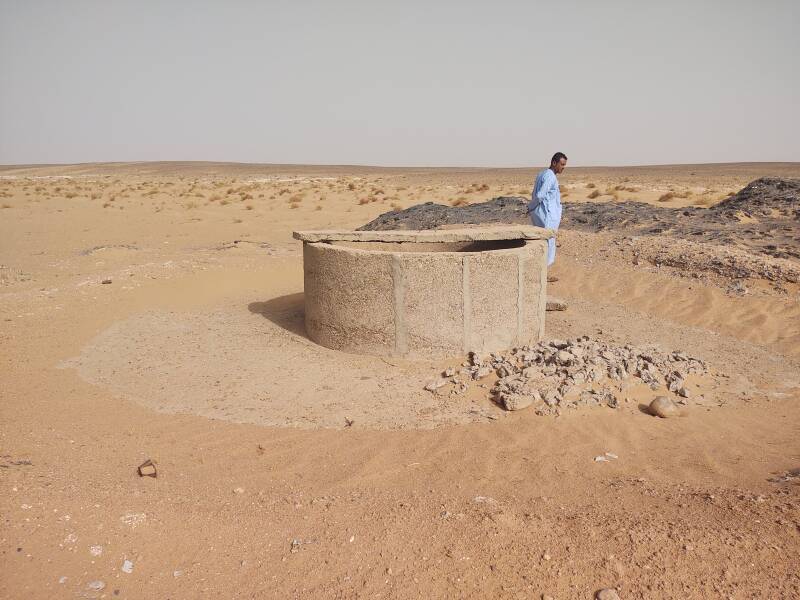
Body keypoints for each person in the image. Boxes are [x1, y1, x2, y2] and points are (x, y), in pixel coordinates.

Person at [529, 152, 567, 275]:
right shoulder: (551, 177)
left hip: (539, 214)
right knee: (549, 243)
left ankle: (539, 272)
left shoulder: (541, 174)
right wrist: (531, 206)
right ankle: (543, 274)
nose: (563, 167)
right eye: (561, 164)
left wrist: (531, 208)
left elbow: (534, 193)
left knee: (542, 243)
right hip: (547, 216)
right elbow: (540, 195)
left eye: (564, 165)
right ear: (554, 163)